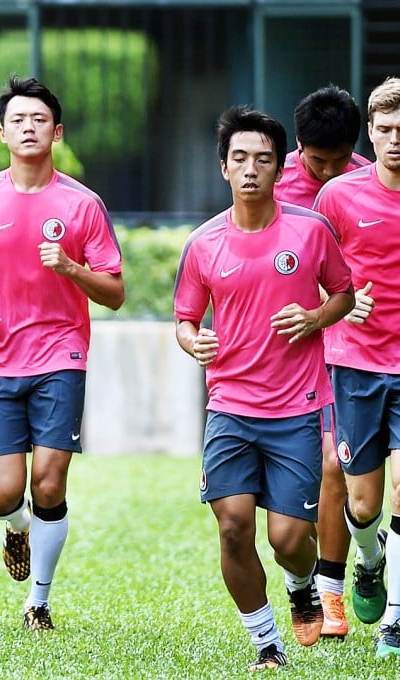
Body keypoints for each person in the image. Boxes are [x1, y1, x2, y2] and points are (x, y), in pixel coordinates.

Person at [0, 75, 124, 632]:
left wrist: (71, 267)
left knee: (48, 480)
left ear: (57, 132)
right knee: (3, 492)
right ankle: (15, 526)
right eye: (17, 119)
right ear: (1, 132)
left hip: (61, 356)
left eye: (39, 119)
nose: (28, 127)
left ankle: (37, 602)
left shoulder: (82, 204)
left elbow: (114, 293)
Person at [174, 105, 354, 670]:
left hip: (298, 410)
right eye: (240, 159)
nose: (251, 169)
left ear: (281, 168)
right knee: (232, 525)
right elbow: (184, 317)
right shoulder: (204, 243)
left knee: (286, 539)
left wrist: (315, 319)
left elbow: (343, 295)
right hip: (229, 408)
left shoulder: (311, 230)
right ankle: (265, 642)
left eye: (264, 160)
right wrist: (192, 341)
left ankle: (301, 587)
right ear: (224, 168)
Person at [273, 84, 370, 641]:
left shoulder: (367, 180)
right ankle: (307, 582)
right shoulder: (271, 179)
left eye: (341, 160)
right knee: (298, 482)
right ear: (299, 147)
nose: (331, 173)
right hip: (285, 352)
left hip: (348, 344)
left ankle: (331, 596)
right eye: (318, 161)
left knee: (338, 466)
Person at [313, 76, 400, 658]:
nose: (397, 141)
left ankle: (396, 618)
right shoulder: (339, 198)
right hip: (357, 364)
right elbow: (313, 278)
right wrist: (346, 305)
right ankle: (370, 563)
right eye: (387, 131)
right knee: (363, 505)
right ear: (370, 133)